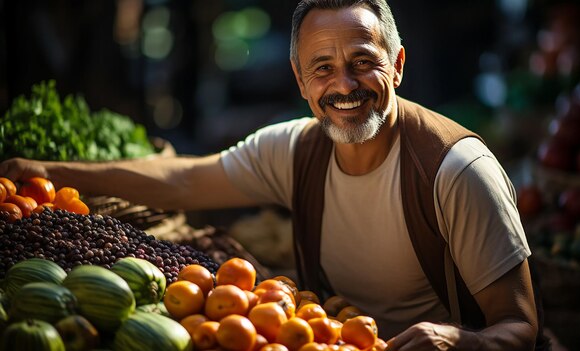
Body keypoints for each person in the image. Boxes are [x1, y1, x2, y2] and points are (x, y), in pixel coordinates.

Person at [1, 0, 544, 349]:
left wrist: (456, 341)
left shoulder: (456, 170)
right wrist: (48, 170)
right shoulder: (296, 150)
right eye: (323, 68)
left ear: (397, 64)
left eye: (363, 61)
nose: (345, 85)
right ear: (300, 81)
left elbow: (521, 328)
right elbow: (183, 180)